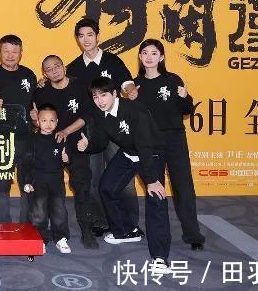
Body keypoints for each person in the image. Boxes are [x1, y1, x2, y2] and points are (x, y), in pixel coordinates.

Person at [78, 77, 172, 274]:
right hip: (128, 153)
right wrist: (88, 146)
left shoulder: (134, 111)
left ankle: (160, 257)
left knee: (156, 200)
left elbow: (145, 145)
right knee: (107, 187)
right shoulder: (100, 112)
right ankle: (126, 231)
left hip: (150, 155)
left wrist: (152, 180)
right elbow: (101, 141)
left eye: (104, 95)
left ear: (114, 94)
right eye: (95, 97)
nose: (100, 101)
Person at [129, 39, 206, 251]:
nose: (149, 57)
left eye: (154, 53)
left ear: (161, 57)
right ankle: (159, 237)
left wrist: (185, 97)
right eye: (145, 53)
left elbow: (186, 110)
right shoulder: (135, 85)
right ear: (140, 57)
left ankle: (193, 234)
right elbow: (132, 118)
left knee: (183, 187)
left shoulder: (172, 80)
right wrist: (130, 99)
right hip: (149, 144)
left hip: (174, 139)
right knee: (155, 189)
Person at [64, 17, 138, 237]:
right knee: (94, 177)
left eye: (90, 35)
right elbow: (61, 86)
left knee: (123, 178)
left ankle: (129, 223)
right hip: (90, 129)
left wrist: (131, 90)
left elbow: (126, 82)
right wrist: (43, 82)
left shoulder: (112, 61)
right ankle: (101, 220)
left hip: (116, 127)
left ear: (98, 36)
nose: (86, 39)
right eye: (81, 36)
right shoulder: (74, 68)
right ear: (77, 39)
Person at [33, 54, 99, 248]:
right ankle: (43, 232)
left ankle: (87, 231)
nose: (54, 71)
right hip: (50, 147)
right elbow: (36, 118)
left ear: (64, 67)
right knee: (46, 192)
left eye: (57, 66)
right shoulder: (41, 92)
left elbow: (87, 115)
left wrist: (66, 131)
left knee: (82, 187)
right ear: (44, 74)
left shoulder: (80, 86)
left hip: (76, 144)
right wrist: (35, 120)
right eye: (49, 69)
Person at [0, 34, 36, 224]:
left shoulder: (29, 75)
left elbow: (35, 103)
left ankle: (27, 221)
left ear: (21, 53)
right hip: (1, 137)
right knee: (2, 182)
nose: (10, 55)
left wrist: (36, 115)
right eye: (6, 51)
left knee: (27, 181)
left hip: (26, 136)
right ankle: (2, 220)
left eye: (14, 51)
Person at [19, 104, 73, 254]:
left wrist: (67, 158)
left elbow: (68, 159)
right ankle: (40, 238)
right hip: (38, 181)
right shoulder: (32, 140)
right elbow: (25, 163)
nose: (48, 124)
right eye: (44, 120)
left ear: (57, 122)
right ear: (38, 121)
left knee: (59, 210)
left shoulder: (60, 138)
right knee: (38, 211)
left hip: (56, 181)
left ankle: (61, 238)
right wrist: (26, 182)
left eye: (52, 121)